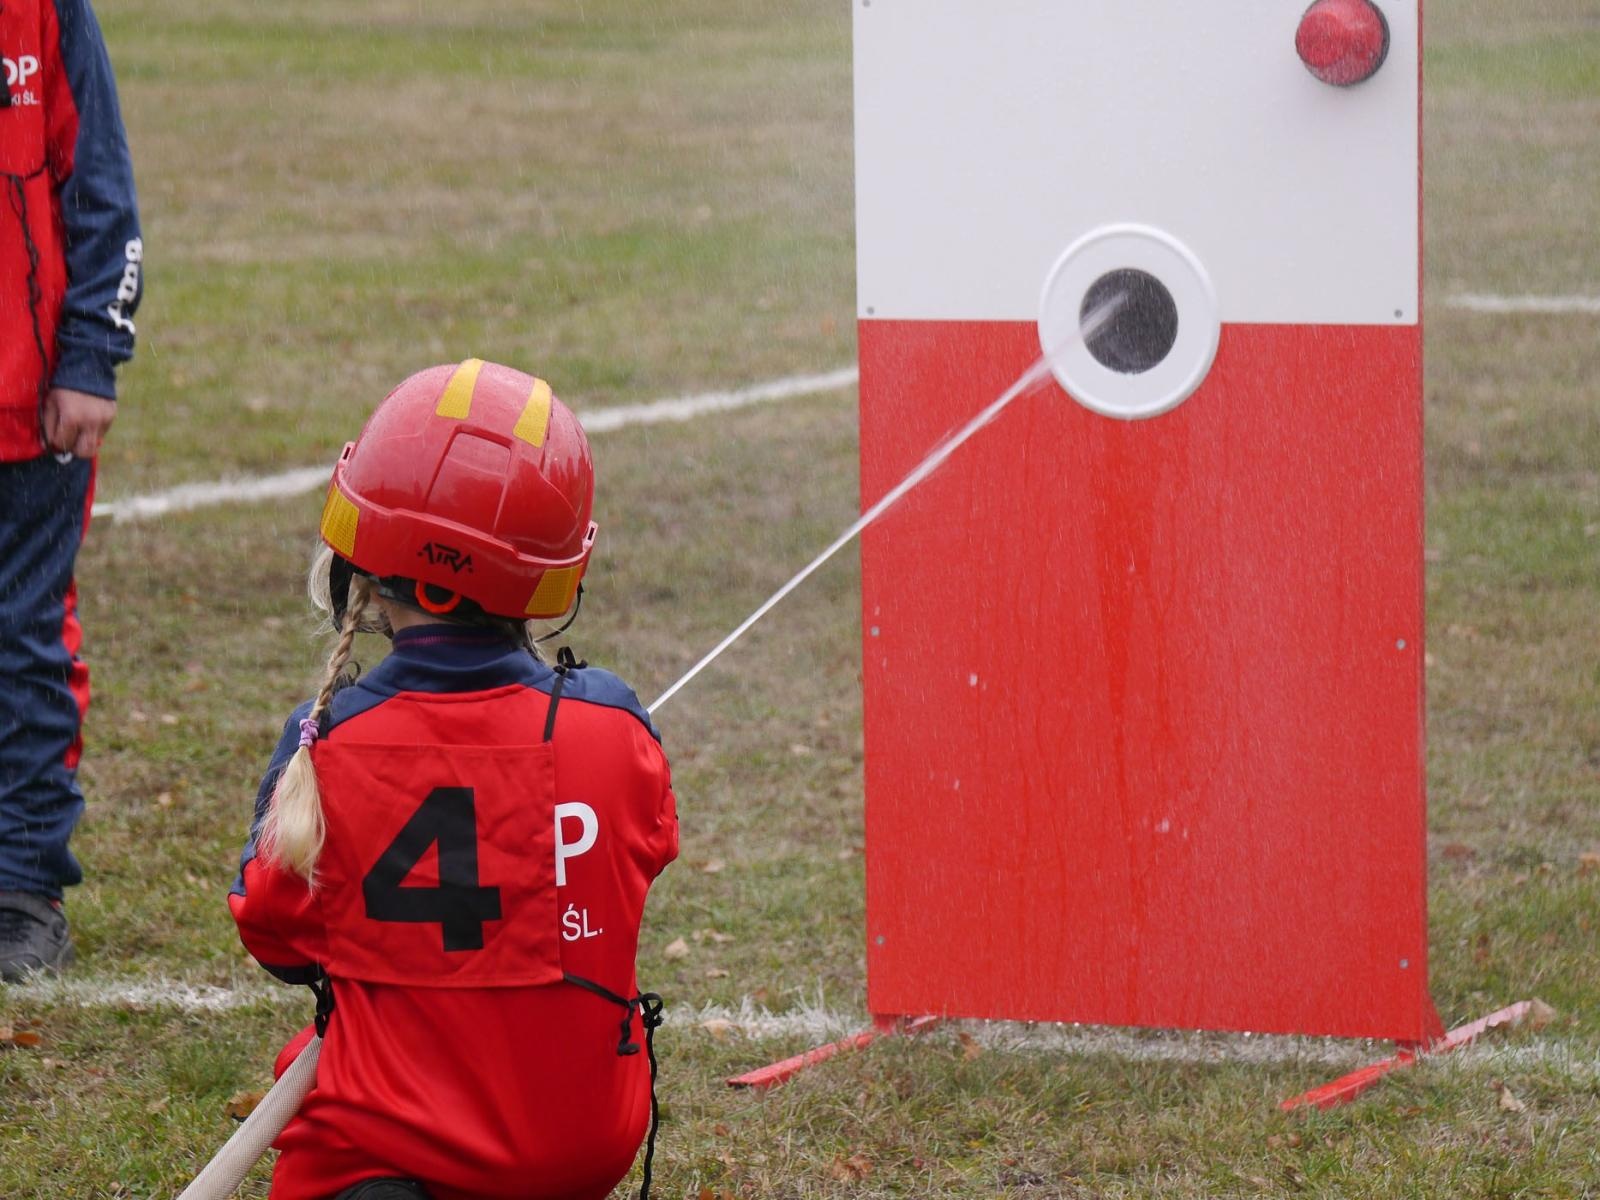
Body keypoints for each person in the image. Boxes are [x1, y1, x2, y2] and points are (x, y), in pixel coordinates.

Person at [229, 360, 679, 1200]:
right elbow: (648, 844)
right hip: (577, 1151)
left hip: (390, 1154)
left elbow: (278, 942)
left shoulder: (324, 745)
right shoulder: (615, 729)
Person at [0, 0, 143, 980]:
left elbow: (100, 185)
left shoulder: (44, 9)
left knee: (21, 640)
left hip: (25, 408)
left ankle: (20, 888)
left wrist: (91, 356)